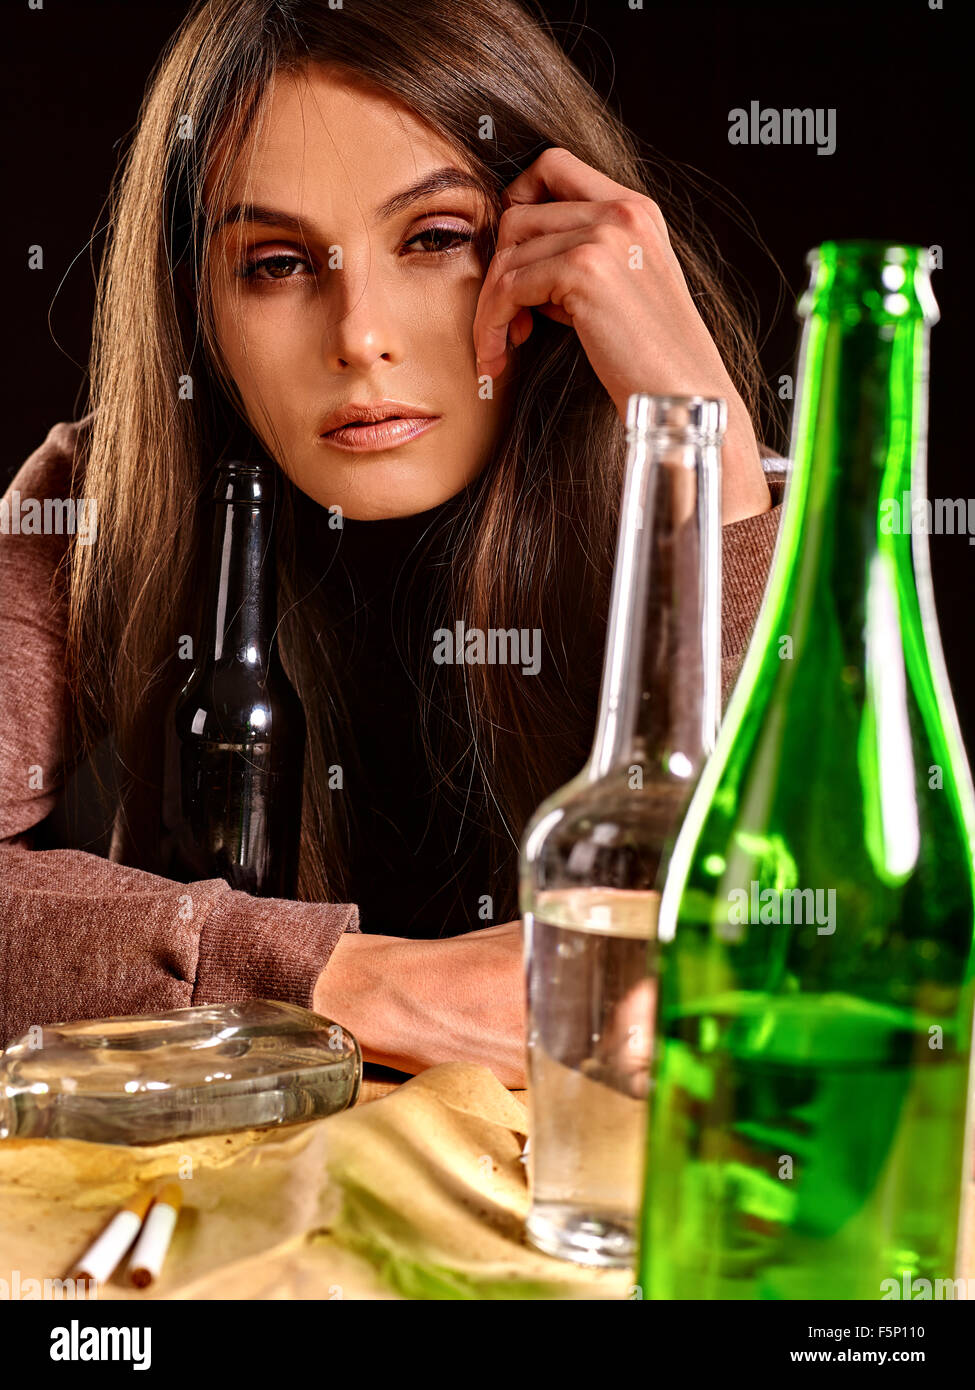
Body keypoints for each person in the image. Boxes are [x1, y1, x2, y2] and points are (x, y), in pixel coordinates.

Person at [0, 0, 787, 1086]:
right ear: (200, 305)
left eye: (434, 239)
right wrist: (354, 985)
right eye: (276, 262)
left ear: (553, 251)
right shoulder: (105, 500)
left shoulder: (732, 511)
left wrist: (706, 443)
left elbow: (816, 944)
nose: (360, 333)